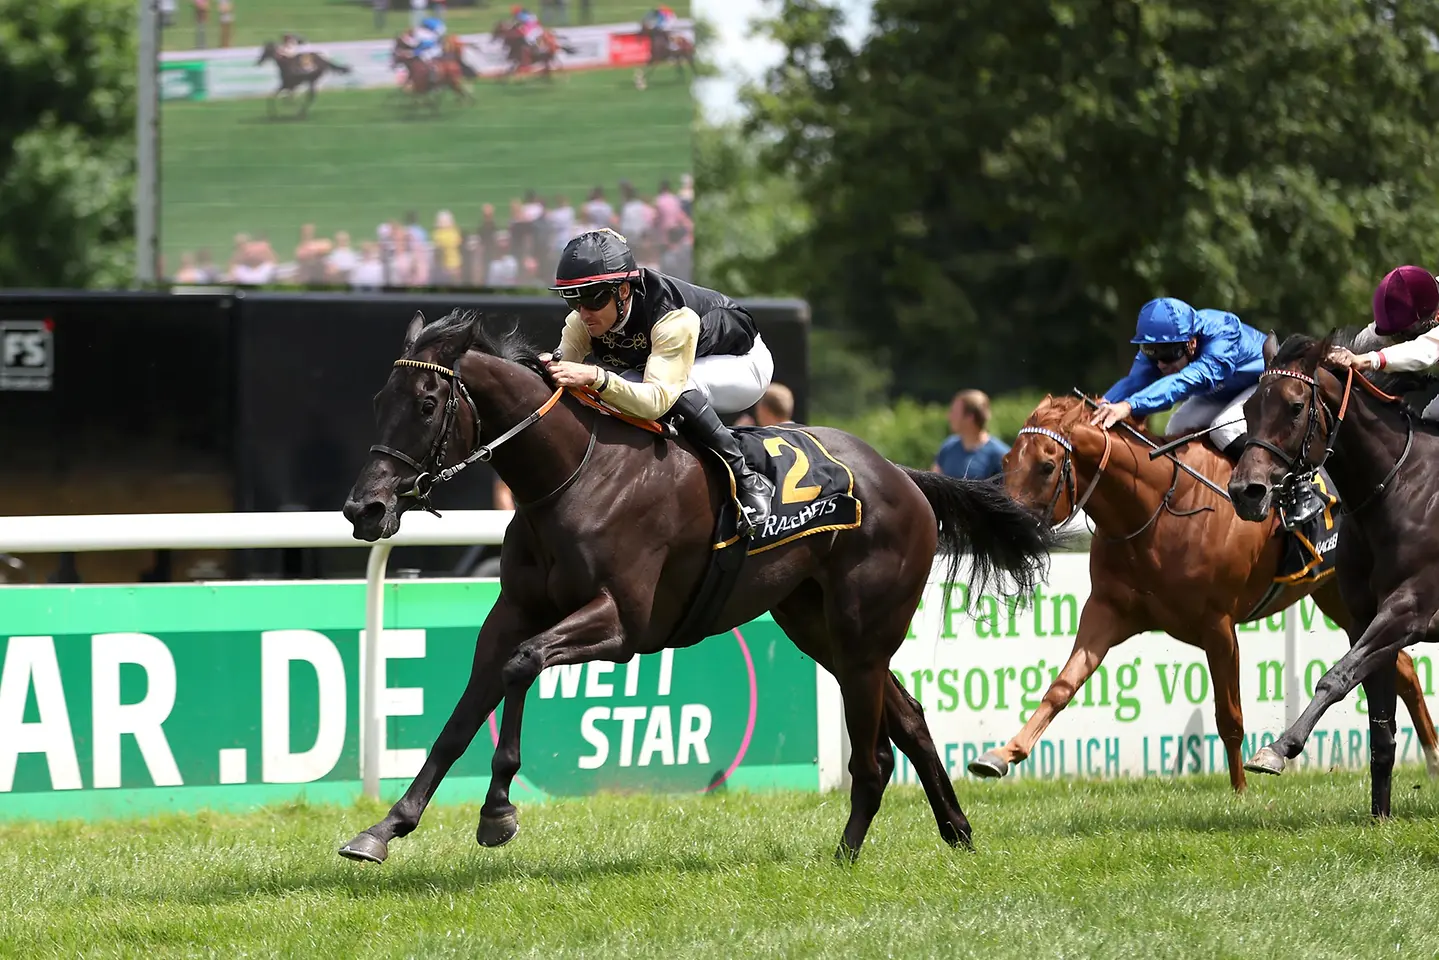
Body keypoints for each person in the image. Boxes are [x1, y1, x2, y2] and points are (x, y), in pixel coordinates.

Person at [542, 228, 777, 534]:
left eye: (593, 299)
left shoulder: (673, 318)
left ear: (623, 290)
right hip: (680, 363)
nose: (584, 314)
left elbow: (657, 401)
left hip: (744, 365)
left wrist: (597, 377)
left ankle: (747, 479)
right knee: (618, 388)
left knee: (670, 387)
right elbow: (564, 366)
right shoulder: (584, 319)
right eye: (574, 301)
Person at [1329, 265, 1439, 420]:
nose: (1396, 338)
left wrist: (1364, 360)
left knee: (1433, 415)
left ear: (1430, 318)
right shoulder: (1423, 306)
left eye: (1403, 333)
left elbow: (1423, 351)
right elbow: (1369, 340)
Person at [931, 389, 1009, 481]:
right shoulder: (948, 447)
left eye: (954, 412)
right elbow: (933, 484)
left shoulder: (1000, 455)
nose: (949, 417)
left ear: (970, 417)